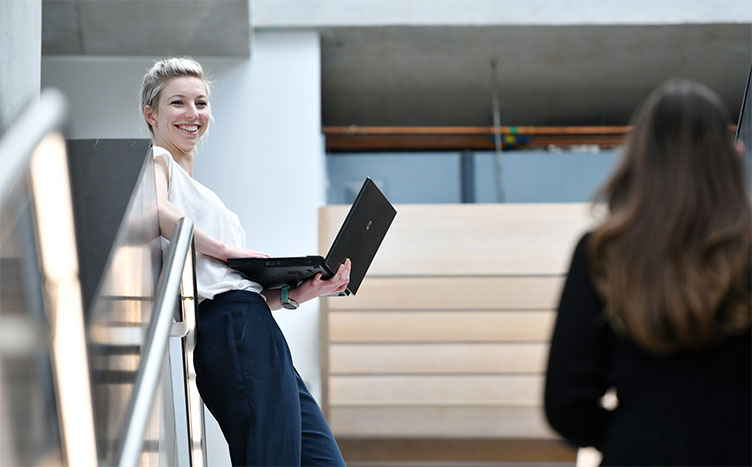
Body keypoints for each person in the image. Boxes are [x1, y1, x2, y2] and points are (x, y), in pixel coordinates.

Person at [140, 56, 350, 466]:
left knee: (323, 461)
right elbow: (157, 211)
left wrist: (300, 292)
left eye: (200, 103)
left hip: (254, 322)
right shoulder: (157, 162)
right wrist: (227, 250)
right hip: (232, 328)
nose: (192, 114)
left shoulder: (200, 191)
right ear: (151, 113)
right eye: (178, 103)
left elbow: (229, 285)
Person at [544, 79, 751, 466]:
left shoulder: (603, 252)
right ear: (730, 157)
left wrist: (629, 436)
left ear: (639, 159)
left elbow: (565, 402)